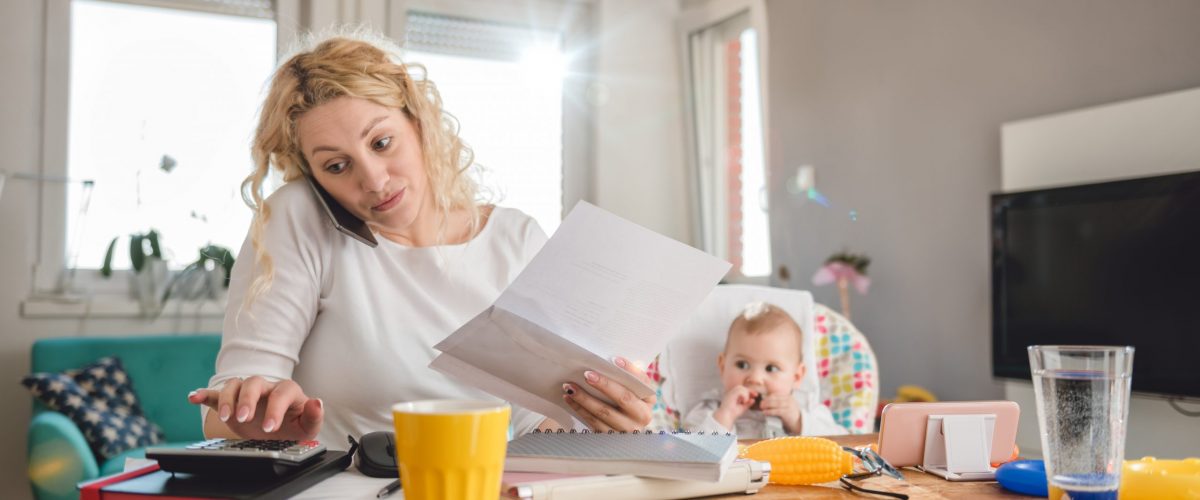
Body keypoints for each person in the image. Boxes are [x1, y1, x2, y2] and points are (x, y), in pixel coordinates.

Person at [186, 31, 654, 445]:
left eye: (381, 143)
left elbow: (539, 428)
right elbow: (227, 406)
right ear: (314, 176)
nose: (372, 180)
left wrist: (603, 422)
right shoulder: (300, 217)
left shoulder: (517, 239)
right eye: (336, 165)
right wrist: (257, 415)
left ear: (419, 122)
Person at [683, 302, 844, 437]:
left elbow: (841, 444)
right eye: (742, 365)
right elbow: (692, 454)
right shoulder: (710, 409)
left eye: (771, 368)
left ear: (796, 376)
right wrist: (724, 417)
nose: (755, 378)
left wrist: (798, 421)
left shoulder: (806, 407)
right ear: (723, 366)